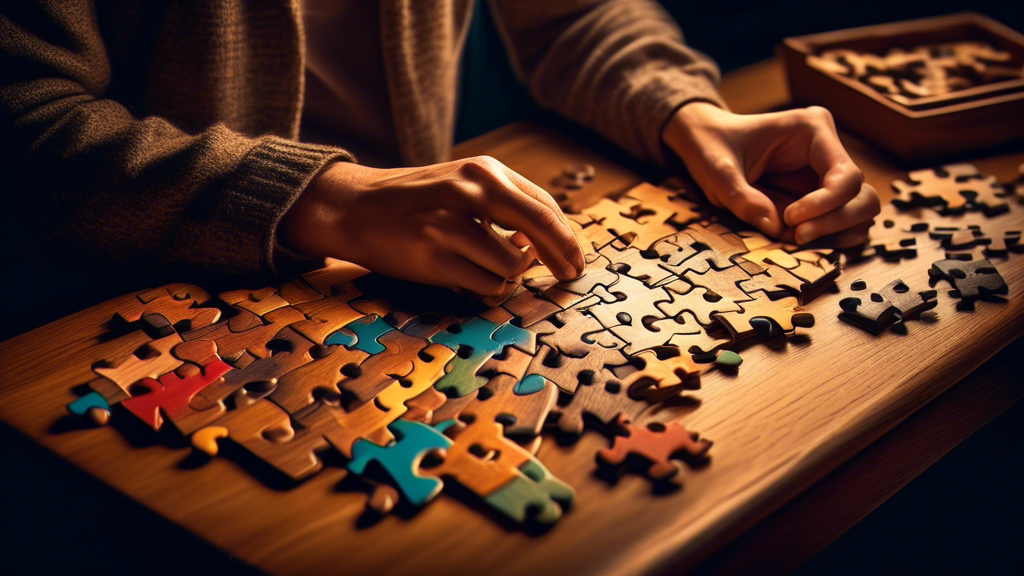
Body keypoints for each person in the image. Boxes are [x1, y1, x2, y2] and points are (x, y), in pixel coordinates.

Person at [0, 1, 879, 300]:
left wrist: (687, 111)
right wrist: (327, 199)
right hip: (132, 305)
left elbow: (575, 14)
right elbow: (24, 120)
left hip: (421, 282)